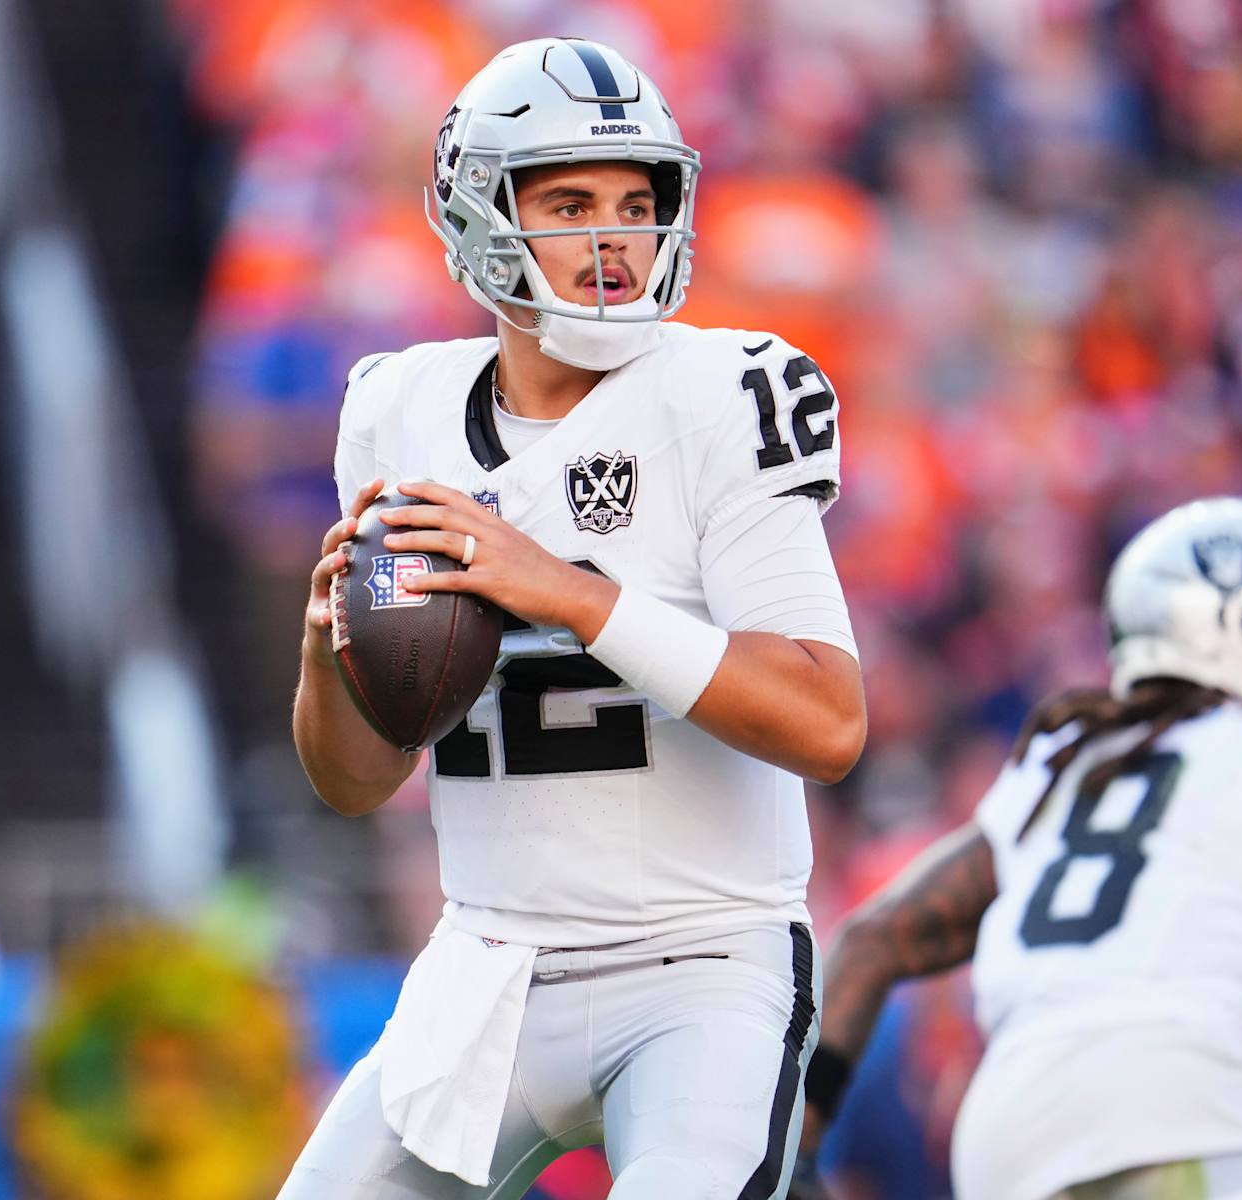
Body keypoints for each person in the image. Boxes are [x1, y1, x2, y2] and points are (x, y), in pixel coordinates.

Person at [279, 37, 865, 1200]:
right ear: (478, 215)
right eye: (569, 204)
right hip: (486, 966)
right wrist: (326, 658)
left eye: (635, 205)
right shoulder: (399, 410)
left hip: (705, 963)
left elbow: (828, 722)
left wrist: (569, 592)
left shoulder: (723, 393)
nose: (613, 238)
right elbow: (354, 783)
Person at [797, 498, 1242, 1200]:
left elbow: (871, 940)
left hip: (1005, 1139)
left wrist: (797, 1144)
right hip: (1173, 1118)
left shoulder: (1073, 762)